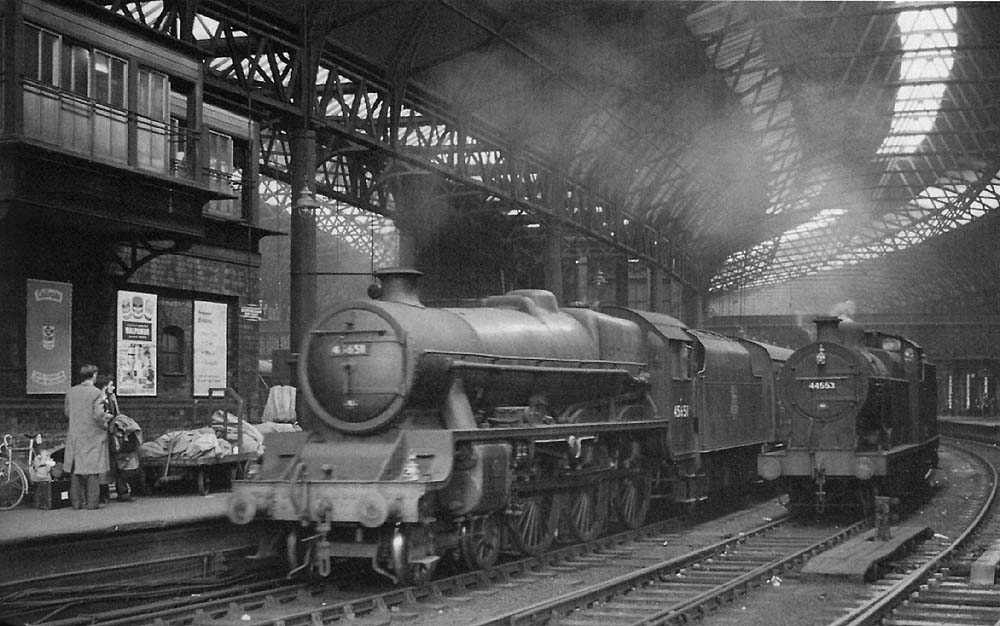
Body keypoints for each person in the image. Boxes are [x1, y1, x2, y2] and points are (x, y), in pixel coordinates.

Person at [63, 364, 111, 510]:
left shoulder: (71, 392)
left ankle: (76, 504)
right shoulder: (97, 393)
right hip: (93, 435)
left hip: (75, 434)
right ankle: (92, 503)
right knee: (92, 471)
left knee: (76, 470)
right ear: (94, 375)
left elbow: (67, 412)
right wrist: (106, 421)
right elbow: (98, 415)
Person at [100, 376, 141, 502]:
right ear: (105, 387)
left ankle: (120, 492)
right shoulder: (101, 400)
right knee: (108, 465)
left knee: (117, 464)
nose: (114, 387)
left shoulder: (111, 398)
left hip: (114, 434)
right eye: (111, 385)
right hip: (106, 435)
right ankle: (105, 493)